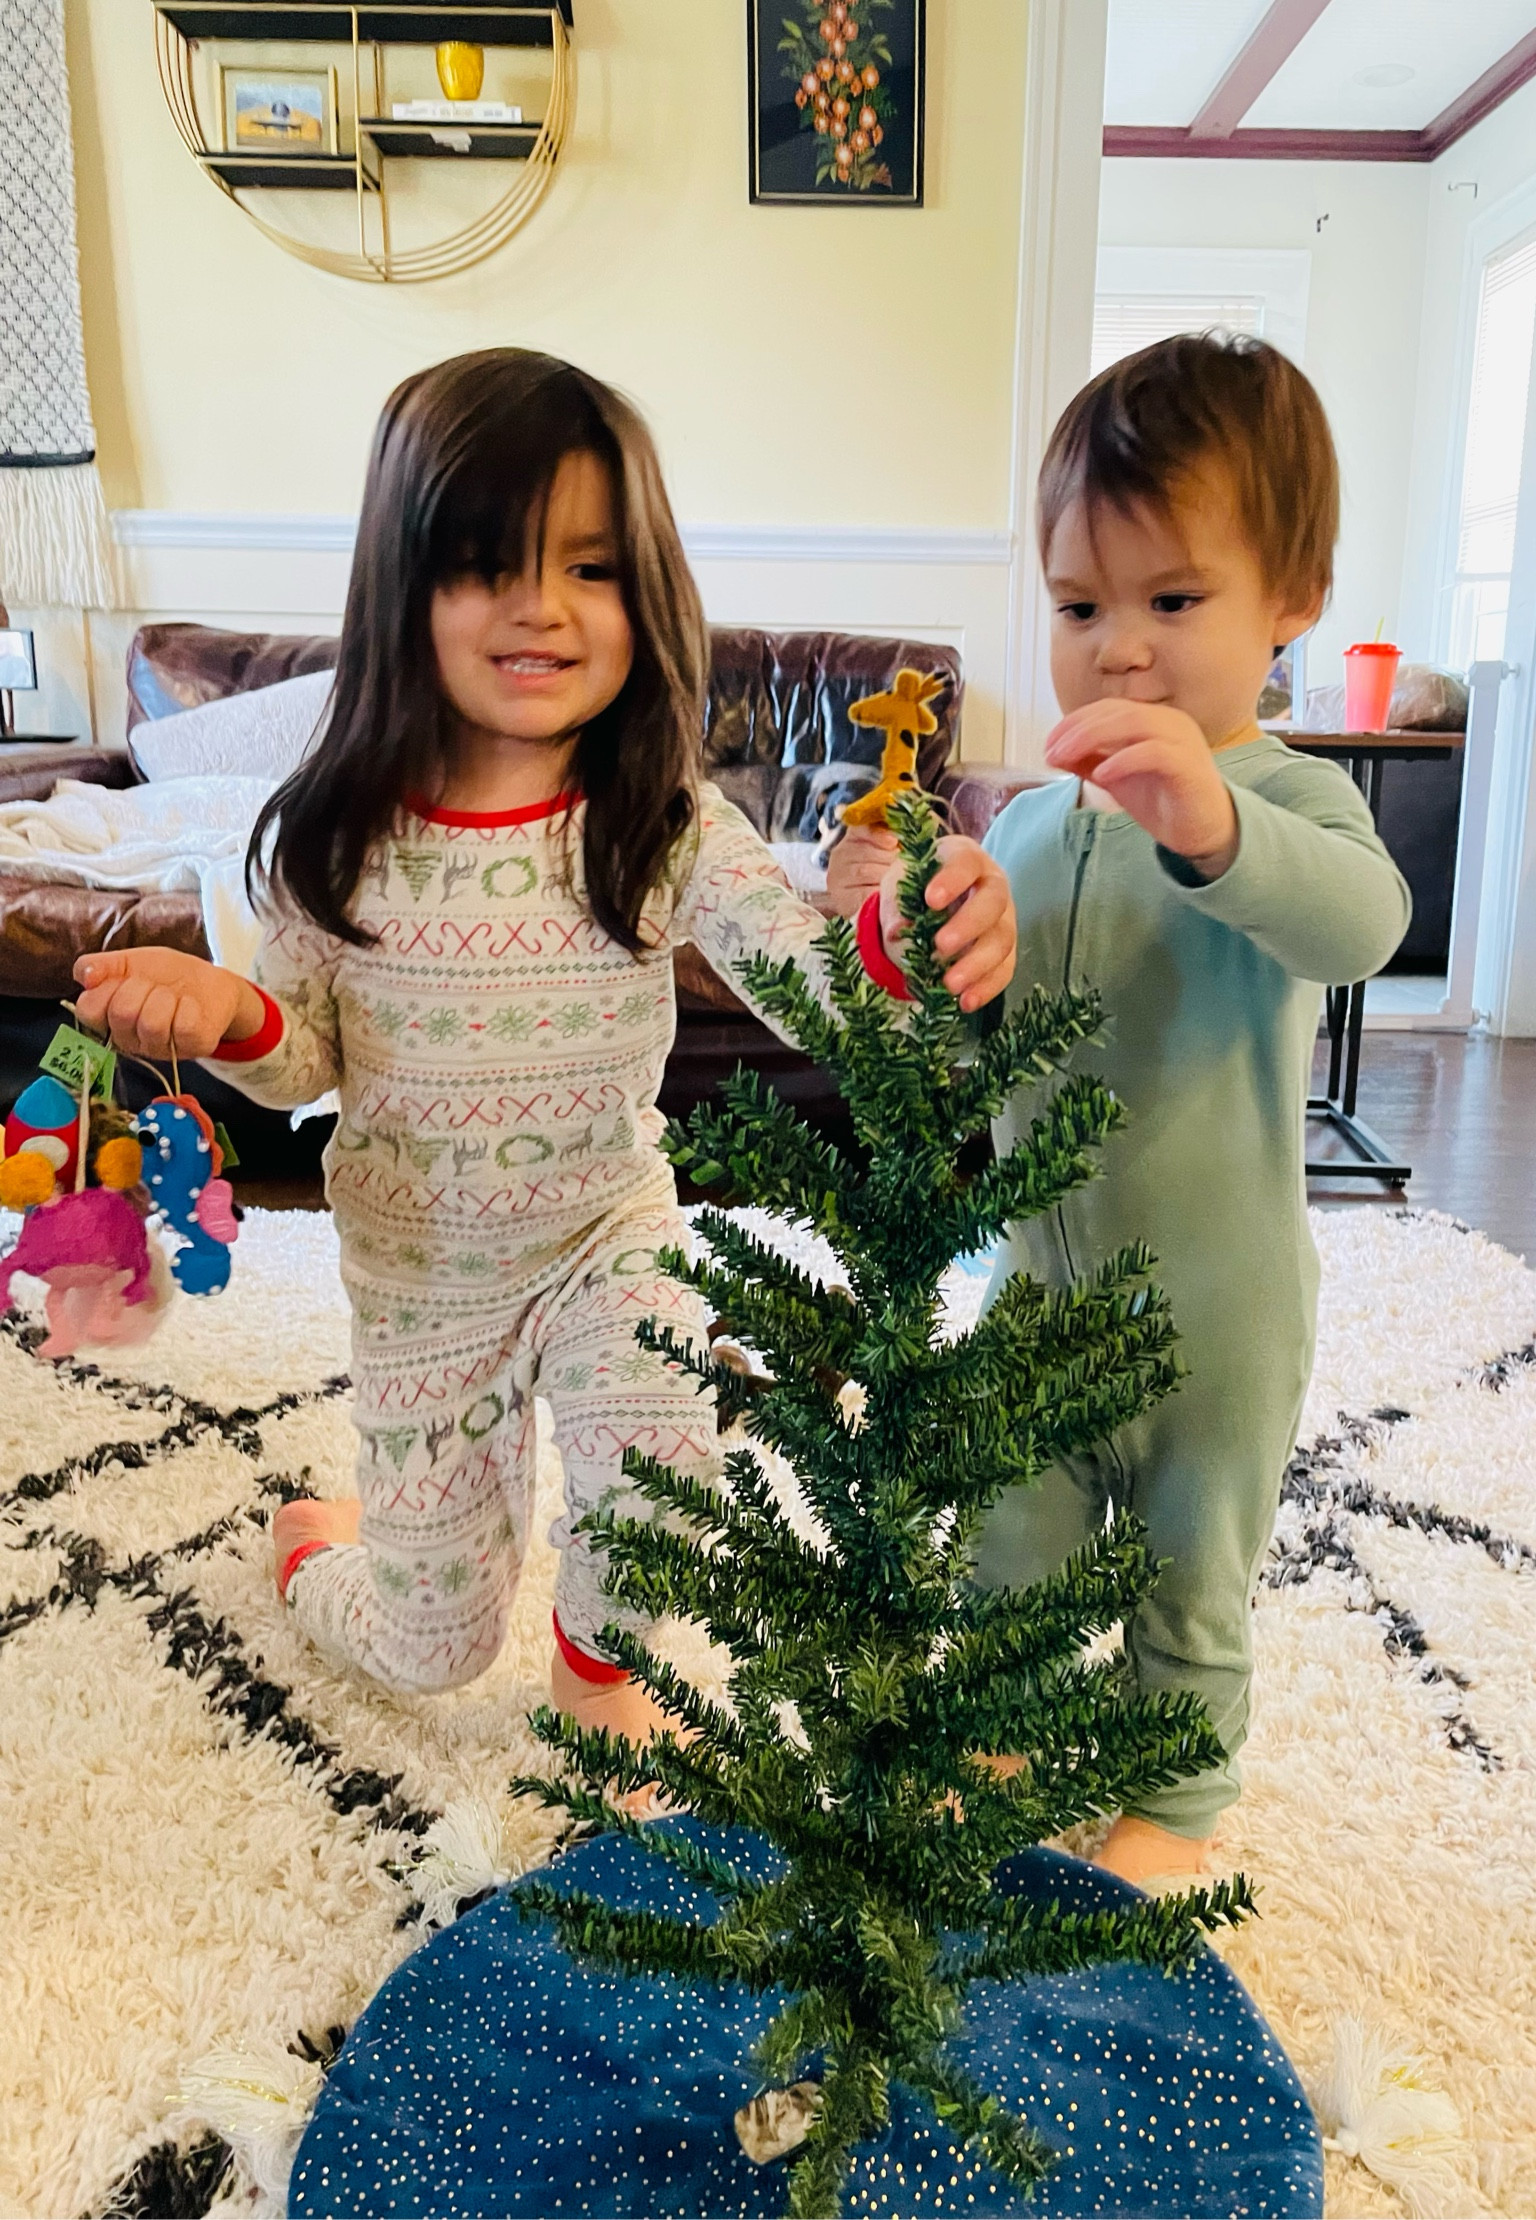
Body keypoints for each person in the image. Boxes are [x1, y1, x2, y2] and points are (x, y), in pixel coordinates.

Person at [75, 348, 1017, 1748]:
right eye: (485, 567)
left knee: (667, 1466)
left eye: (590, 568)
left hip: (605, 1228)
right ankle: (319, 1549)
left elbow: (819, 986)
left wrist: (916, 935)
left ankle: (597, 1676)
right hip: (420, 1271)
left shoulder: (659, 815)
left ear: (646, 591)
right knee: (430, 1649)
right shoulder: (337, 832)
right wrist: (225, 1014)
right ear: (405, 590)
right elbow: (303, 1058)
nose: (543, 609)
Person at [831, 333, 1410, 1885]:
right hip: (1036, 1296)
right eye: (1083, 607)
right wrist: (930, 965)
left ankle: (1177, 1801)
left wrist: (1212, 825)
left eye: (1174, 600)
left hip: (1216, 1310)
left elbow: (1360, 926)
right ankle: (1000, 1755)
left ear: (1291, 600)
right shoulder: (1024, 827)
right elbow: (974, 1070)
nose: (1121, 650)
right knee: (1003, 1546)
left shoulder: (1288, 802)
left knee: (1187, 1571)